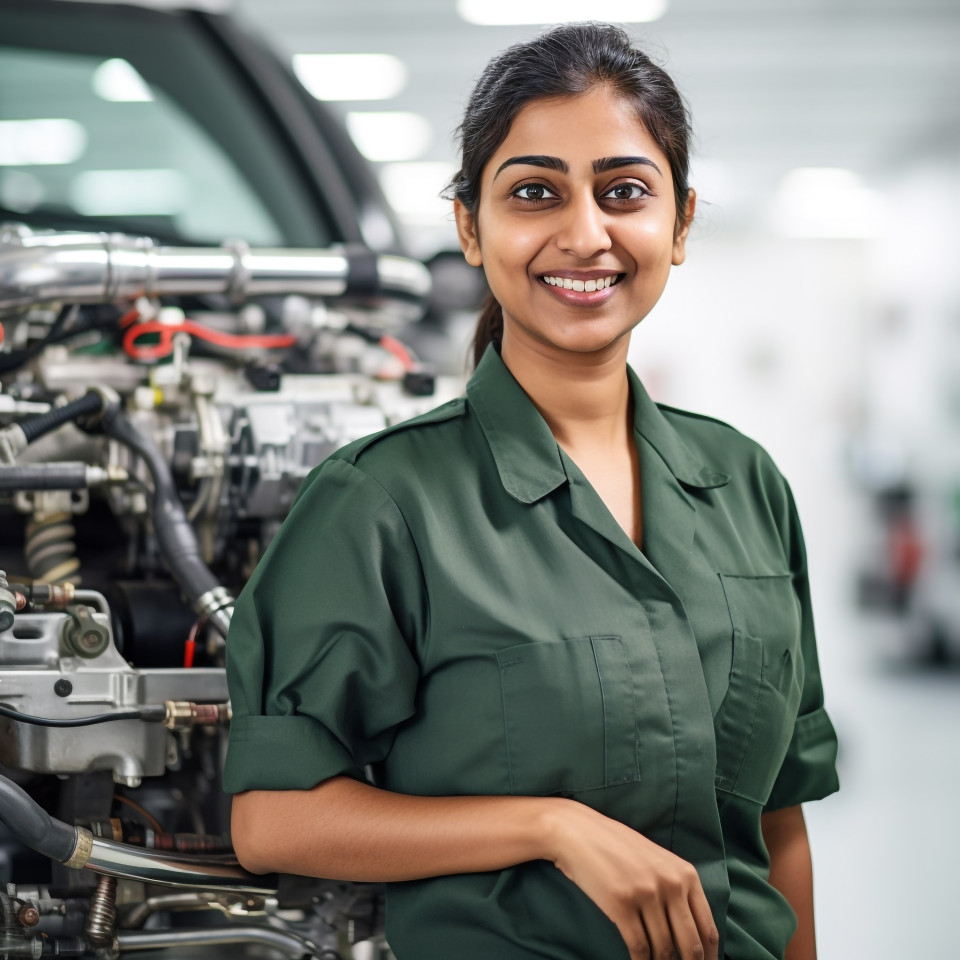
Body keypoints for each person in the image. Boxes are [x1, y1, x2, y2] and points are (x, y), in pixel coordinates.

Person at [224, 22, 839, 960]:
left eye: (624, 192)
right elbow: (275, 819)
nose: (585, 234)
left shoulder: (746, 484)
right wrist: (549, 826)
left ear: (680, 224)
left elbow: (779, 821)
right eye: (535, 193)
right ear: (471, 227)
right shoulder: (380, 503)